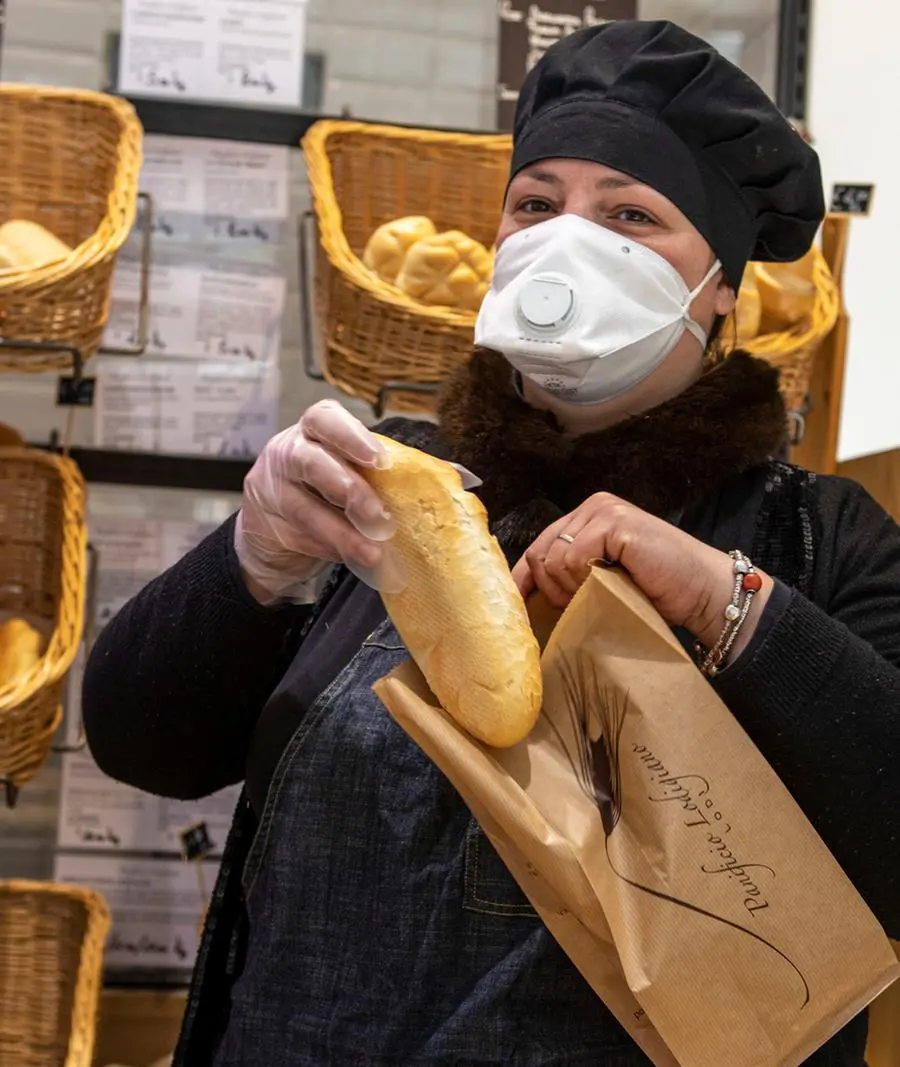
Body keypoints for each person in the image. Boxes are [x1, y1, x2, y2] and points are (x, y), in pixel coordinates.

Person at [83, 20, 899, 1067]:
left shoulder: (818, 538)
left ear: (723, 289)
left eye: (631, 215)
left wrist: (726, 602)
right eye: (536, 203)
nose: (568, 240)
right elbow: (141, 742)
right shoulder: (372, 487)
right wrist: (256, 549)